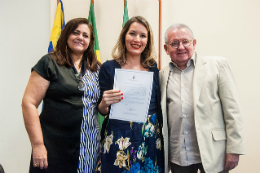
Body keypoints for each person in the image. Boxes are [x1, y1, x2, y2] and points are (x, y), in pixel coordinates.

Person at [159, 23, 245, 173]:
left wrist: (234, 148)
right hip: (179, 154)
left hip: (213, 151)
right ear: (166, 49)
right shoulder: (162, 75)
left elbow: (233, 111)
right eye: (174, 43)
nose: (180, 47)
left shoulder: (217, 66)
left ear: (194, 43)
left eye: (185, 41)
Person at [22, 18, 101, 173]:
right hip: (53, 146)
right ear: (66, 35)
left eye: (85, 35)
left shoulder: (96, 68)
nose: (80, 37)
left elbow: (101, 105)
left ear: (90, 42)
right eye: (75, 32)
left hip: (88, 147)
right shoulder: (49, 62)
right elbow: (28, 103)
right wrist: (37, 145)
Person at [95, 16, 164, 173]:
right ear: (124, 36)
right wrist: (105, 102)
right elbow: (102, 110)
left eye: (142, 35)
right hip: (119, 134)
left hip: (149, 135)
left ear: (147, 40)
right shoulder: (108, 67)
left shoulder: (152, 67)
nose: (137, 39)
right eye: (132, 33)